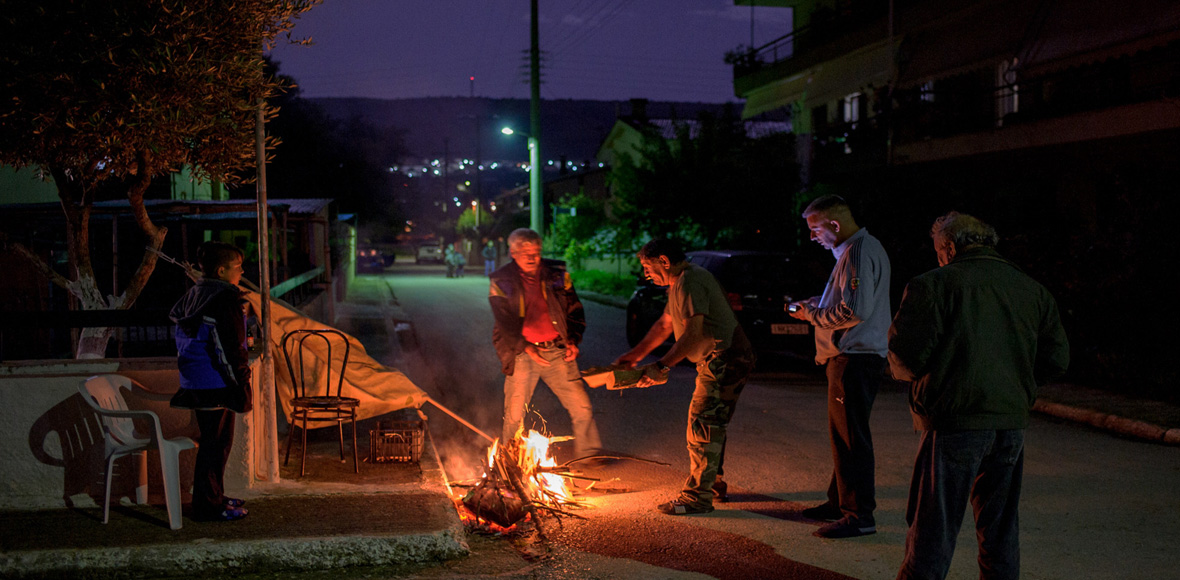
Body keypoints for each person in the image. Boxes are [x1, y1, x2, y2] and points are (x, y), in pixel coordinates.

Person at [889, 212, 1069, 580]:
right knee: (1000, 529)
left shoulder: (933, 285)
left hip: (953, 421)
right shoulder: (1030, 288)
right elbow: (1056, 359)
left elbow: (905, 358)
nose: (939, 257)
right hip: (1009, 423)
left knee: (933, 529)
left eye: (939, 250)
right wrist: (1015, 384)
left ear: (950, 247)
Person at [614, 238, 755, 515]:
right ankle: (712, 485)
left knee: (702, 421)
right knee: (711, 422)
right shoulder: (679, 283)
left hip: (724, 358)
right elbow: (666, 324)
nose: (646, 273)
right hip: (722, 358)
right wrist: (636, 355)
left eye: (647, 266)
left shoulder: (690, 281)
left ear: (664, 262)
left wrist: (662, 366)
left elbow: (693, 334)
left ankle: (696, 498)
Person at [788, 194, 891, 538]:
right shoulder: (853, 252)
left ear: (835, 224)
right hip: (854, 357)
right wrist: (817, 303)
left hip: (854, 358)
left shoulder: (859, 253)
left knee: (851, 438)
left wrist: (812, 315)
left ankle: (859, 515)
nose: (813, 237)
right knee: (844, 436)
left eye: (816, 229)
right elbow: (849, 301)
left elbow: (853, 311)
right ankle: (839, 502)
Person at [489, 228, 603, 460]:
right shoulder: (501, 280)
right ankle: (511, 464)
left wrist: (572, 340)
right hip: (521, 353)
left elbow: (574, 310)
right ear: (512, 252)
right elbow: (503, 322)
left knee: (581, 407)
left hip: (556, 350)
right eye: (525, 252)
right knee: (514, 413)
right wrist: (526, 347)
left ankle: (588, 458)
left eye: (536, 252)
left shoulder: (557, 275)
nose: (532, 257)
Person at [170, 241, 252, 522]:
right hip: (215, 383)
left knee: (215, 443)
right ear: (221, 270)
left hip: (196, 380)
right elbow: (228, 349)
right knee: (215, 446)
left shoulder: (196, 294)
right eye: (237, 267)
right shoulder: (223, 300)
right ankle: (208, 507)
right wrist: (241, 383)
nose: (241, 272)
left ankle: (214, 496)